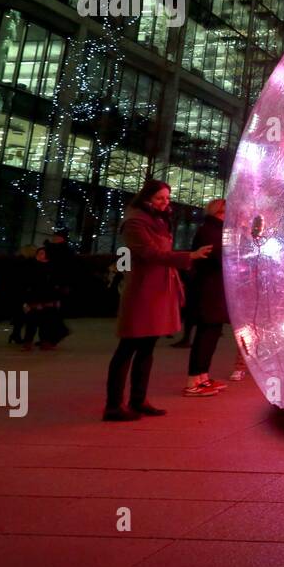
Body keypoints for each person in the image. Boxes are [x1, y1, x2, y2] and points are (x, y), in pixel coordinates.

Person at [104, 180, 212, 421]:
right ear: (146, 199)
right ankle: (113, 405)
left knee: (147, 347)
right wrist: (189, 255)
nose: (165, 203)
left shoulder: (158, 220)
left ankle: (138, 399)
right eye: (160, 198)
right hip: (143, 290)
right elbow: (150, 253)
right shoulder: (135, 222)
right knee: (129, 346)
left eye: (167, 198)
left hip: (158, 288)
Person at [184, 199, 229, 397]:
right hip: (209, 290)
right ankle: (194, 379)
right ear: (220, 212)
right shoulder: (211, 231)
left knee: (210, 333)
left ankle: (202, 376)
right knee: (206, 334)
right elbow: (218, 256)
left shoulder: (214, 230)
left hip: (212, 290)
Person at [20, 247, 69, 350]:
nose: (40, 255)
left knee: (45, 323)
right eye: (39, 253)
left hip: (48, 298)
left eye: (43, 253)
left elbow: (57, 282)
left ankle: (45, 342)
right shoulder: (31, 266)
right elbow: (26, 282)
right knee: (31, 323)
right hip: (34, 297)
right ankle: (28, 342)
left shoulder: (52, 267)